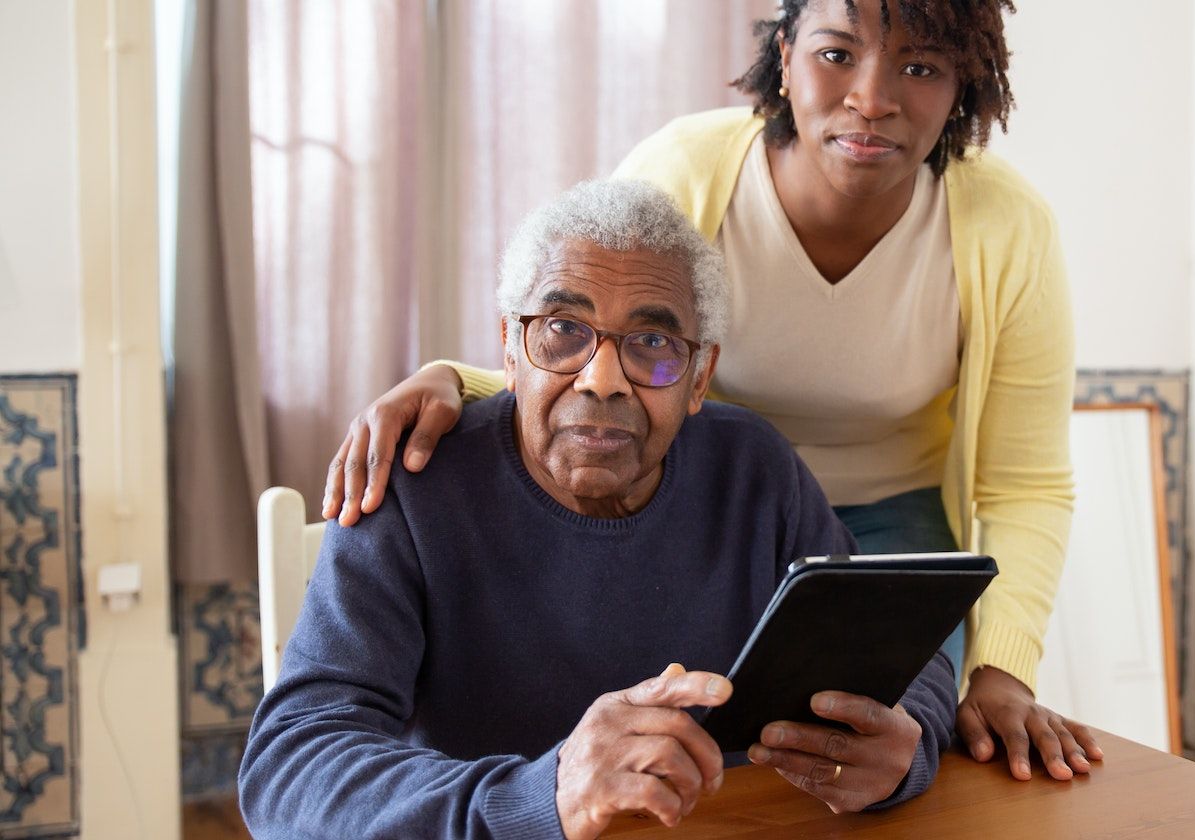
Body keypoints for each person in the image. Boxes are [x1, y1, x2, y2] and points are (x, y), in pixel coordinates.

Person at [321, 0, 1100, 781]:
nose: (871, 98)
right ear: (785, 57)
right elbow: (598, 332)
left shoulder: (1006, 226)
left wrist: (1002, 673)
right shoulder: (690, 169)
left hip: (893, 515)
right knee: (692, 749)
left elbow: (1024, 482)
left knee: (883, 755)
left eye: (921, 67)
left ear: (963, 86)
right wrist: (457, 380)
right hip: (719, 506)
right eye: (837, 54)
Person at [240, 181, 956, 840]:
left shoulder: (754, 469)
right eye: (562, 329)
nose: (602, 379)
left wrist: (908, 748)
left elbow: (901, 653)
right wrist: (544, 795)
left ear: (699, 377)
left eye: (653, 344)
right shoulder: (414, 482)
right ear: (510, 348)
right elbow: (290, 769)